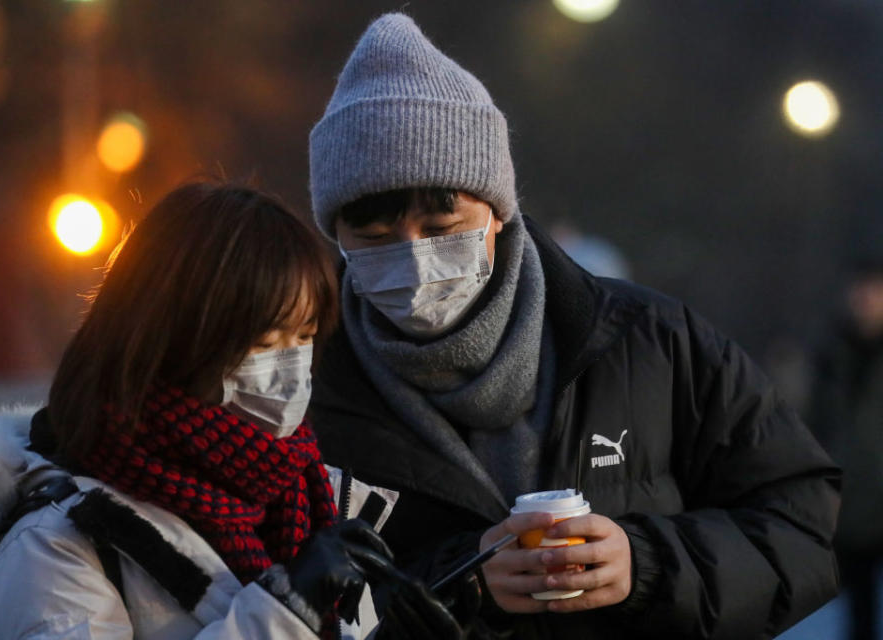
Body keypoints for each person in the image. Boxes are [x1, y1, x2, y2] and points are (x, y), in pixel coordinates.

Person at [305, 13, 842, 639]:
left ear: (497, 210)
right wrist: (463, 585)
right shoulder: (305, 384)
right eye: (371, 234)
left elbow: (802, 527)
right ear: (333, 234)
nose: (412, 254)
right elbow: (274, 603)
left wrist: (643, 565)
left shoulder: (649, 342)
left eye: (442, 226)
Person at [0, 182, 451, 639]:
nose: (293, 366)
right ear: (172, 343)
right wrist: (286, 614)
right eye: (265, 341)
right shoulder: (56, 545)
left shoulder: (305, 497)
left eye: (306, 336)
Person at [809, 252, 883, 640]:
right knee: (857, 618)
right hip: (850, 510)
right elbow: (817, 430)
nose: (865, 299)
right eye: (860, 289)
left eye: (874, 289)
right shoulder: (832, 355)